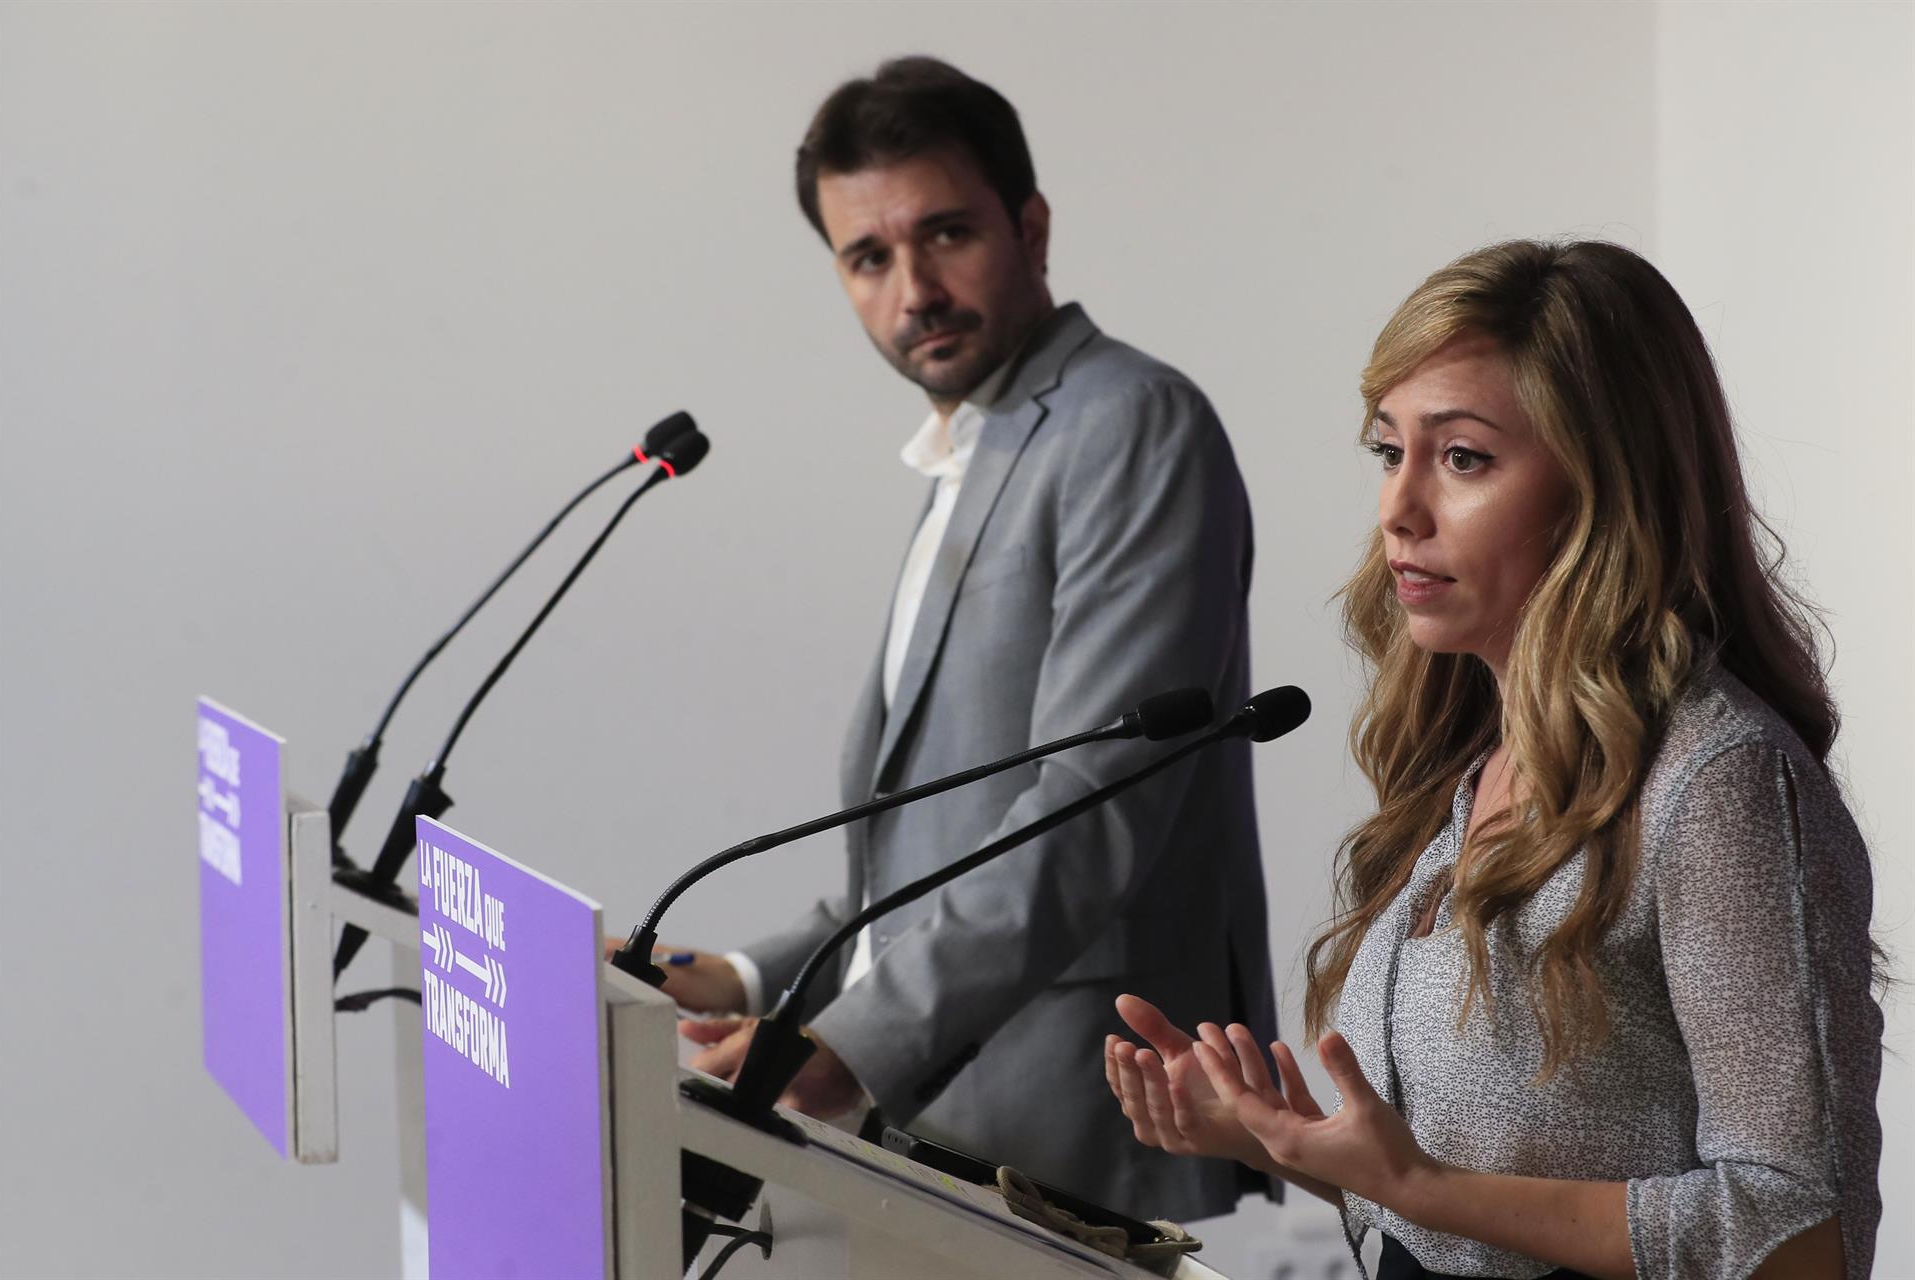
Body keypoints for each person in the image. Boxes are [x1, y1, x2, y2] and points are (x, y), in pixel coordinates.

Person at [1106, 240, 1884, 1278]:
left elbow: (1803, 1236)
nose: (1399, 508)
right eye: (1391, 451)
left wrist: (1414, 1185)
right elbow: (1461, 1200)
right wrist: (1273, 1135)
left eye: (1462, 456)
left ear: (1605, 488)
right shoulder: (1467, 765)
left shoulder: (1719, 782)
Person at [654, 56, 1277, 1223]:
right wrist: (731, 977)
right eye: (868, 257)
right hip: (946, 1111)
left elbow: (1089, 800)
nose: (914, 290)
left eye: (946, 234)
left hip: (1069, 1113)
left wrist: (849, 1044)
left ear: (1031, 227)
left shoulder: (1127, 422)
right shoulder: (978, 447)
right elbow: (922, 852)